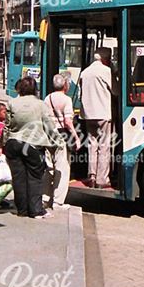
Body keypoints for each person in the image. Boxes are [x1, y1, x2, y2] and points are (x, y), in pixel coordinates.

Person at [4, 77, 60, 219]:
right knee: (35, 177)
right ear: (35, 89)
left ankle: (22, 210)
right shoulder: (40, 105)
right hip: (33, 145)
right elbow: (48, 125)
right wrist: (57, 141)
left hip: (13, 143)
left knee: (18, 178)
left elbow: (7, 125)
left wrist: (3, 143)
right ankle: (35, 210)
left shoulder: (12, 102)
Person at [43, 73, 80, 209]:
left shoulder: (48, 98)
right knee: (62, 168)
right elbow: (68, 122)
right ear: (65, 85)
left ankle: (45, 198)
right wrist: (76, 137)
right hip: (61, 136)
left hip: (48, 135)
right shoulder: (66, 100)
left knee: (49, 167)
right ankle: (58, 202)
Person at [79, 49, 113, 189]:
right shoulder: (106, 71)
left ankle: (91, 175)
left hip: (88, 114)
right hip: (103, 114)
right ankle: (102, 179)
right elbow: (116, 90)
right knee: (104, 146)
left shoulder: (85, 72)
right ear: (106, 59)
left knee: (92, 145)